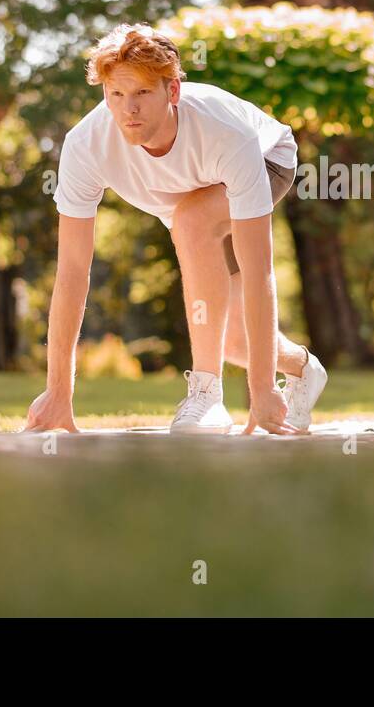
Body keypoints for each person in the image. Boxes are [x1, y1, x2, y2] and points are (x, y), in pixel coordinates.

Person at [24, 23, 327, 435]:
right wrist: (57, 391)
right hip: (188, 197)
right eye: (117, 94)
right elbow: (73, 270)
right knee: (230, 340)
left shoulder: (226, 134)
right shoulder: (85, 146)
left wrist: (260, 391)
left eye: (143, 93)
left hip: (268, 160)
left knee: (192, 220)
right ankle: (303, 368)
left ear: (173, 92)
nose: (129, 109)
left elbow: (260, 271)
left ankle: (206, 395)